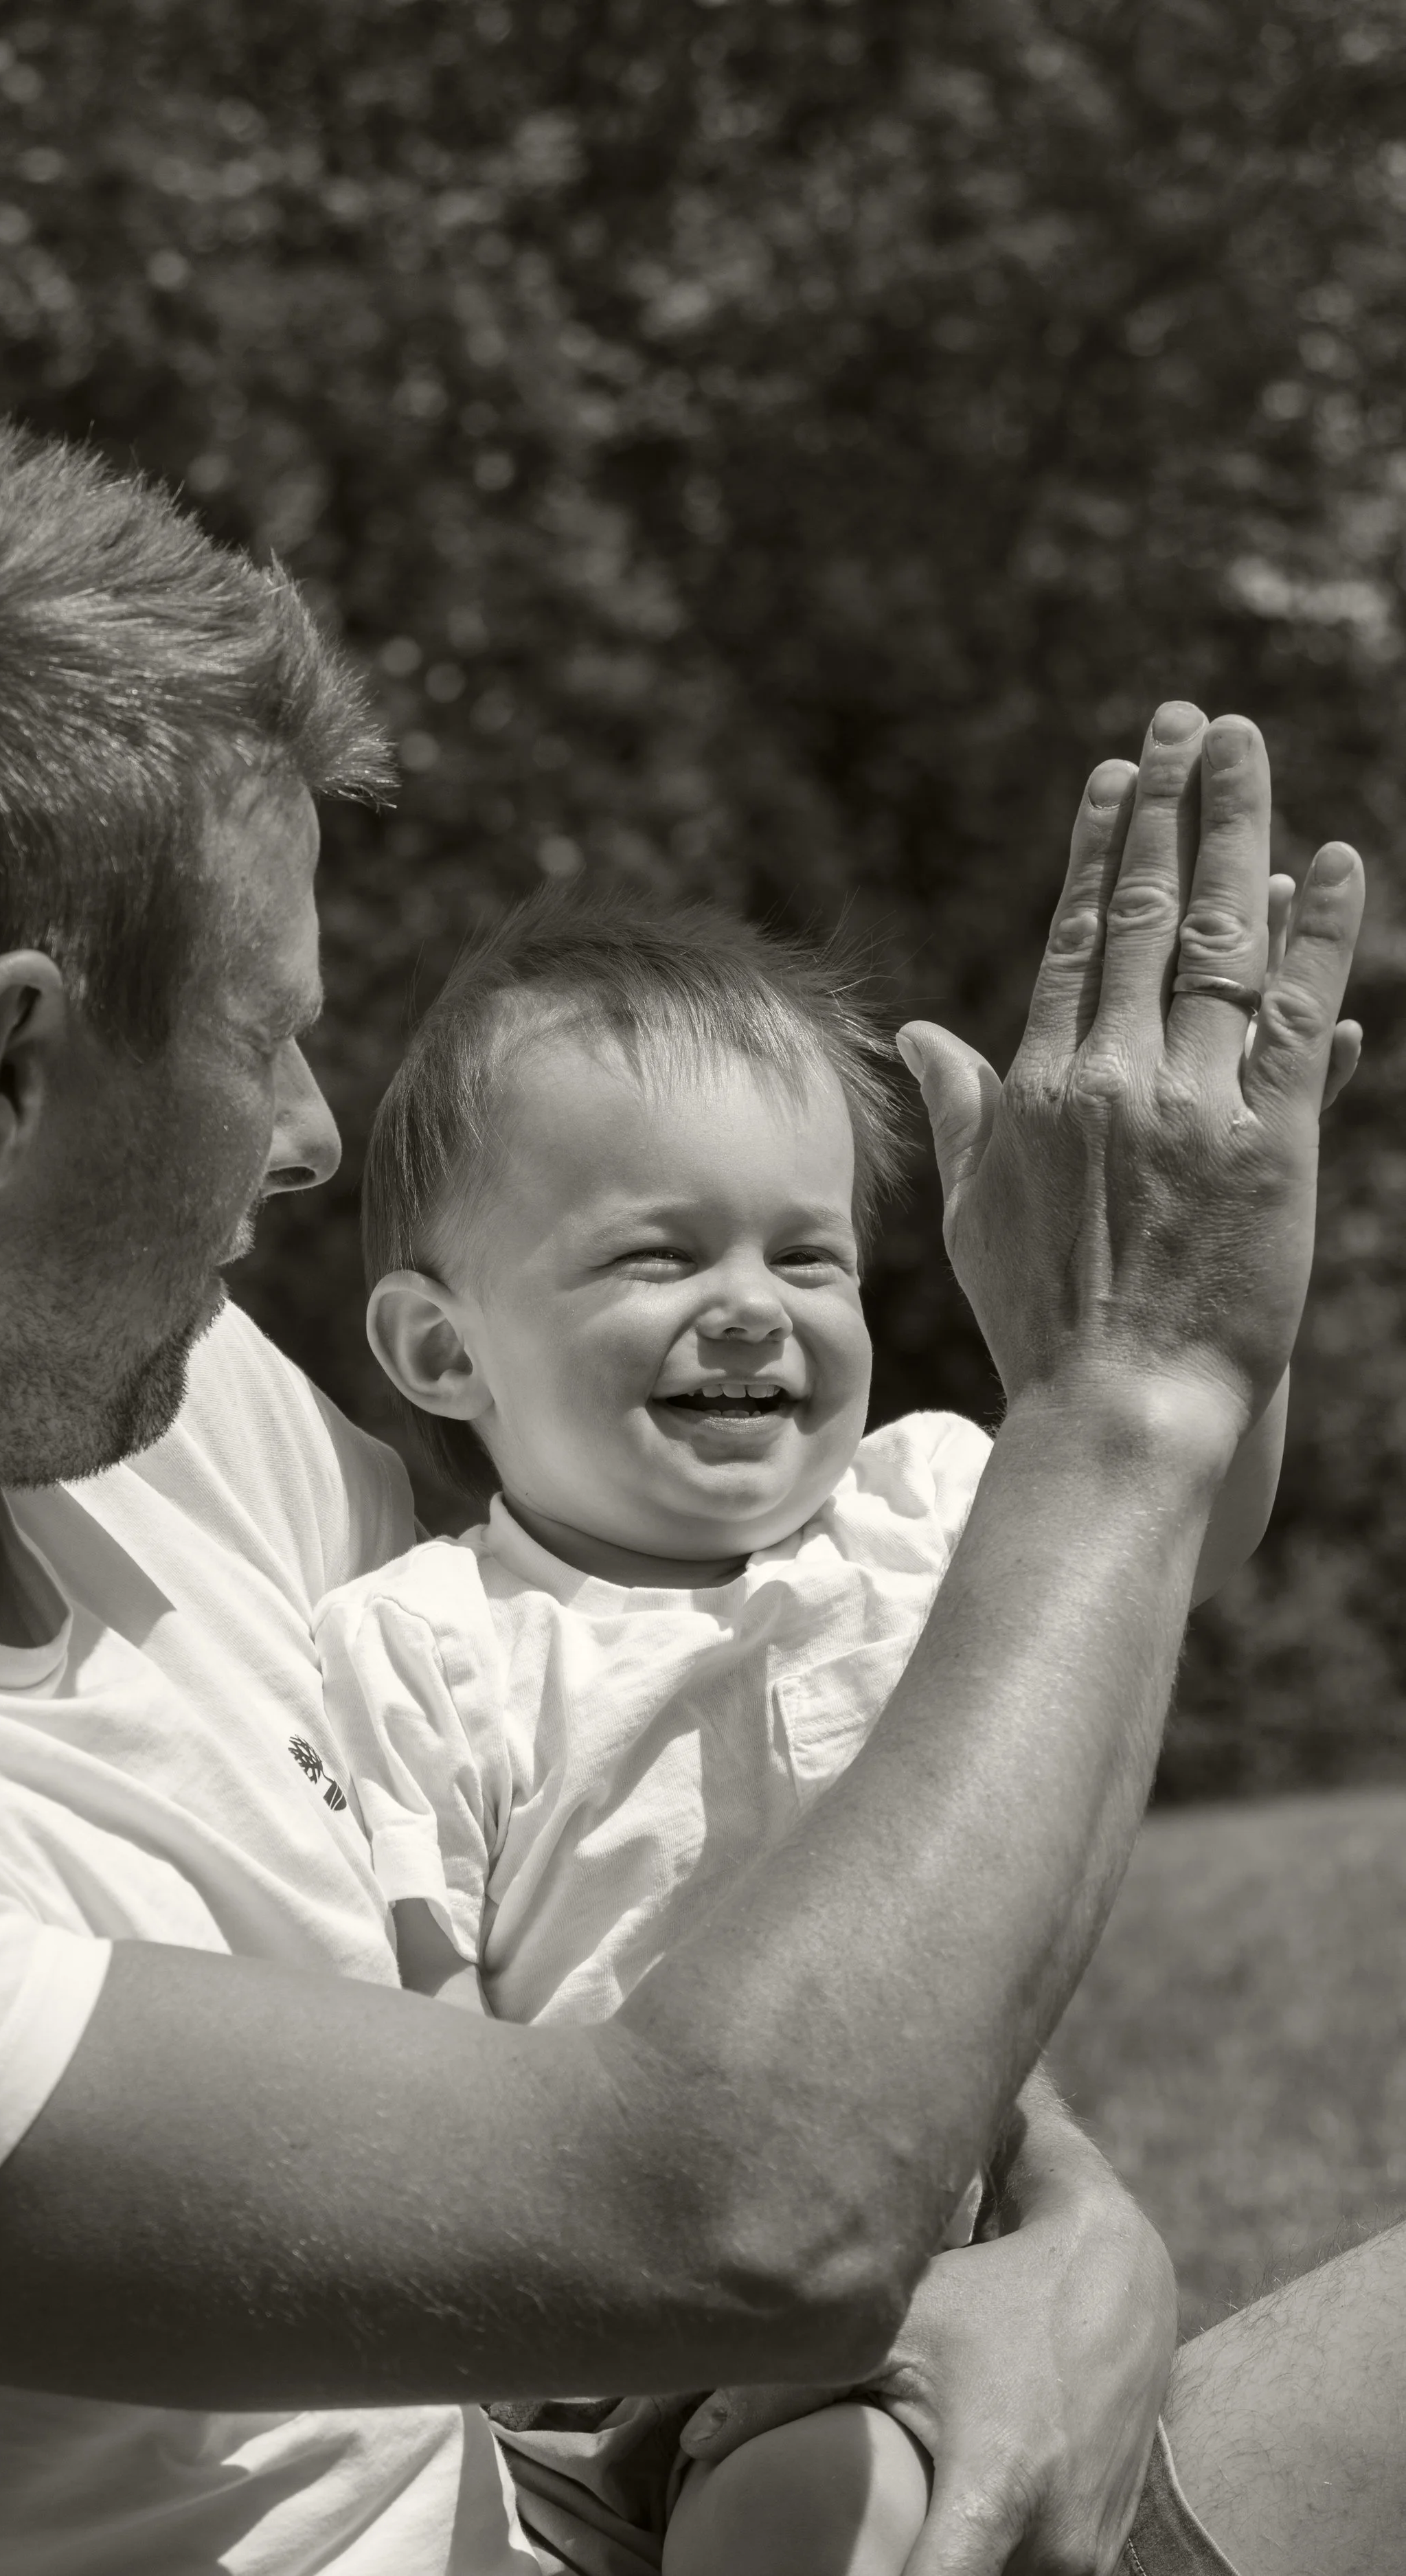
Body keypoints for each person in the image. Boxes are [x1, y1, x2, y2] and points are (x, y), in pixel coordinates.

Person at [0, 426, 1387, 2576]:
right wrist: (1135, 1387)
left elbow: (711, 1821)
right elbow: (740, 2210)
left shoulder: (154, 1405)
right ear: (9, 1072)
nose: (308, 1134)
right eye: (262, 1034)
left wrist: (1055, 2225)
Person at [312, 886, 1337, 2576]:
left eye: (805, 1253)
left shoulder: (926, 1505)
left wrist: (1222, 1316)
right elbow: (415, 2047)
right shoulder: (428, 1646)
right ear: (440, 1348)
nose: (749, 1304)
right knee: (818, 2513)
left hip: (972, 2262)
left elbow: (1180, 1529)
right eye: (658, 1251)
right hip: (650, 2339)